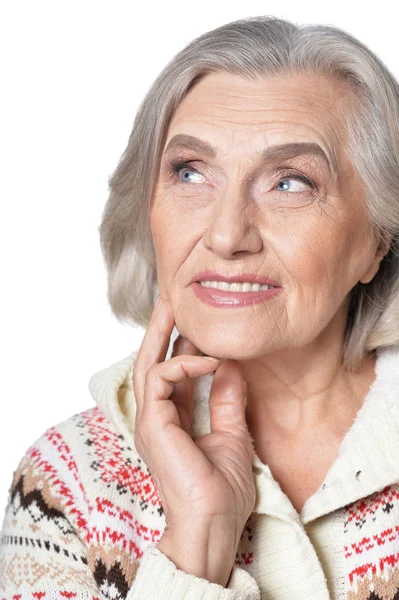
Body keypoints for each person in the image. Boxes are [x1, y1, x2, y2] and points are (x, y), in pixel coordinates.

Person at [1, 14, 399, 600]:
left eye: (290, 182)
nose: (225, 234)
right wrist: (196, 547)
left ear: (376, 242)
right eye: (191, 173)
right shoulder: (72, 479)